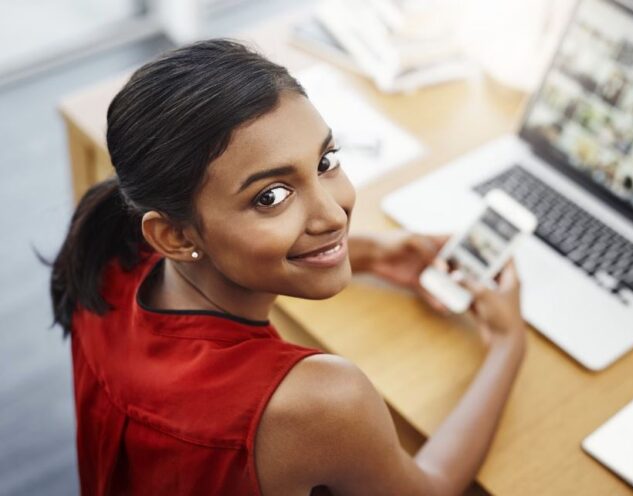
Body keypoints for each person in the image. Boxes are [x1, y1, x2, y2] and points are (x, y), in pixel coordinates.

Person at [49, 40, 527, 495]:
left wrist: (374, 254)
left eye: (325, 161)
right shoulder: (320, 402)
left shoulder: (112, 248)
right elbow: (432, 489)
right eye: (270, 196)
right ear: (173, 235)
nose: (335, 215)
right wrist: (508, 343)